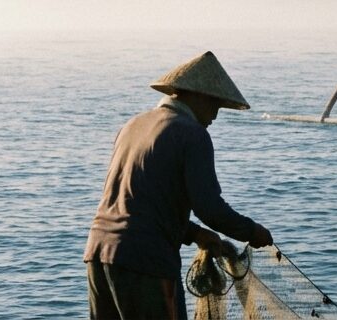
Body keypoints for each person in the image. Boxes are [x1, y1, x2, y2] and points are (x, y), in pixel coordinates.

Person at [84, 51, 273, 320]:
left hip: (99, 256)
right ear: (198, 96)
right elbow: (210, 208)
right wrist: (252, 231)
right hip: (147, 264)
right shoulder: (192, 134)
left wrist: (194, 234)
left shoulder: (133, 125)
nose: (215, 117)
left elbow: (135, 202)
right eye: (215, 106)